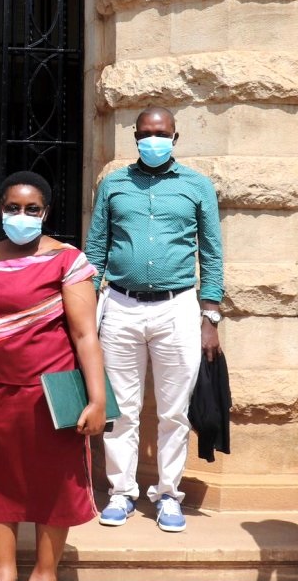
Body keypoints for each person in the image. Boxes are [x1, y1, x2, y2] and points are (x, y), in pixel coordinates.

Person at [0, 171, 106, 581]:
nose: (21, 216)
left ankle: (45, 576)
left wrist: (95, 399)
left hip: (50, 394)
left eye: (31, 209)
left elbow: (85, 334)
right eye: (12, 208)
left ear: (46, 212)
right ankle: (4, 573)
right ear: (0, 211)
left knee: (53, 482)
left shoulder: (67, 261)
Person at [84, 106, 223, 533]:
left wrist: (210, 315)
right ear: (135, 138)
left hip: (176, 306)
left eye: (160, 133)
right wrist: (86, 311)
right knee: (121, 410)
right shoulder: (114, 185)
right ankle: (121, 493)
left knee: (174, 412)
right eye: (145, 133)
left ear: (175, 137)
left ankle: (167, 495)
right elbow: (96, 250)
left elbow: (212, 252)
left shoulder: (197, 186)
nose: (153, 140)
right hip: (121, 305)